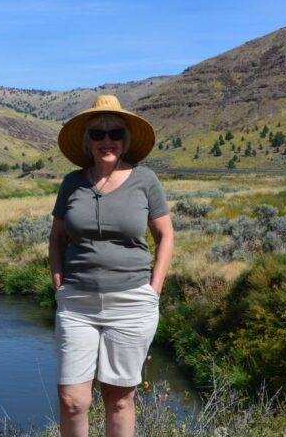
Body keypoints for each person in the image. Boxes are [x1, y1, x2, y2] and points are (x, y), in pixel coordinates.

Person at [49, 94, 174, 437]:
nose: (107, 141)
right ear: (87, 141)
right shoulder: (72, 183)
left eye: (115, 133)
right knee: (73, 399)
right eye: (98, 134)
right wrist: (60, 287)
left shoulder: (145, 180)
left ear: (125, 139)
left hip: (132, 302)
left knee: (119, 398)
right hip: (77, 303)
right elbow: (57, 239)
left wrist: (153, 290)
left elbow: (165, 236)